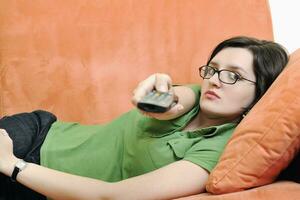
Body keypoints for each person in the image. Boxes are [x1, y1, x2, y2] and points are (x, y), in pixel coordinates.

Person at [0, 36, 289, 200]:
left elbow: (111, 197)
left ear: (259, 94)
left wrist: (13, 165)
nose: (215, 81)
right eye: (212, 69)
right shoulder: (195, 95)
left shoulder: (216, 151)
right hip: (42, 130)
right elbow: (164, 102)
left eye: (233, 76)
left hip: (38, 178)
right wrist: (156, 89)